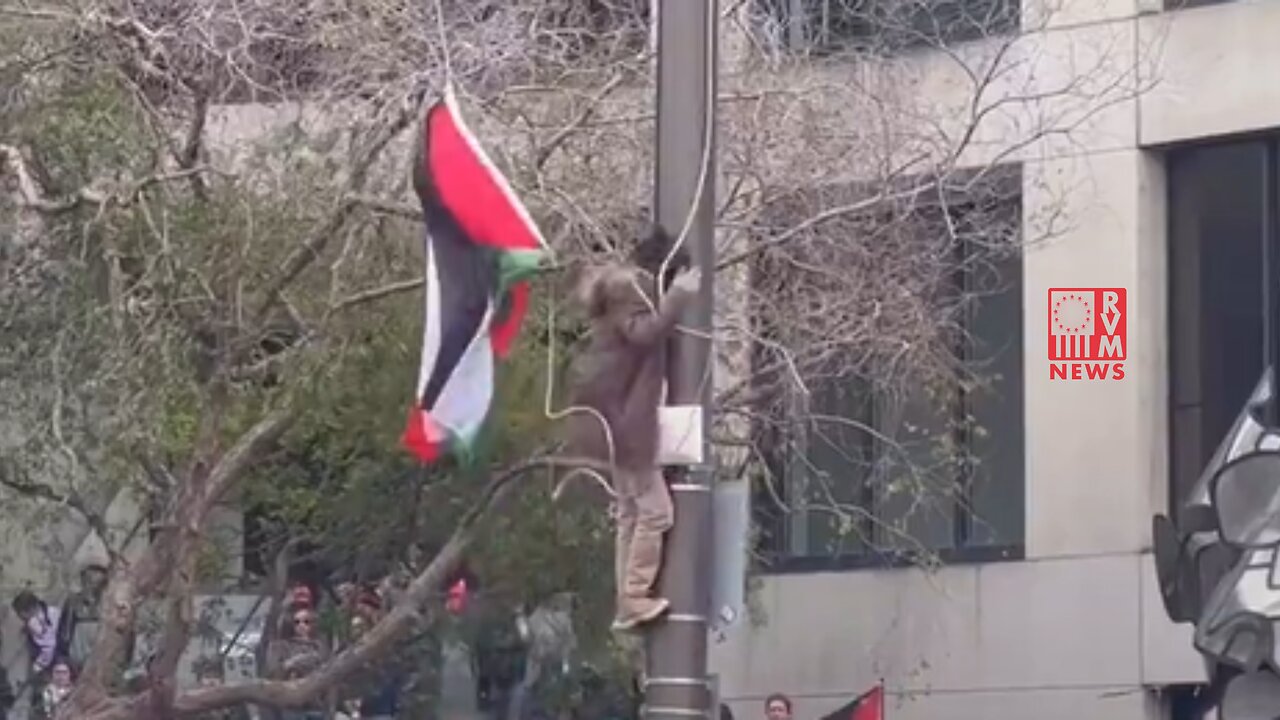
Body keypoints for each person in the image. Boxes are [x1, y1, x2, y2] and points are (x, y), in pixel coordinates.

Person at [564, 227, 700, 631]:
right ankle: (634, 597)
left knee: (629, 513)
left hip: (612, 421)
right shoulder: (630, 290)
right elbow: (645, 333)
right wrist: (679, 296)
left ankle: (628, 599)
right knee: (655, 513)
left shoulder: (618, 293)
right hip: (625, 426)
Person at [12, 591, 61, 682]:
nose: (18, 616)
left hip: (56, 655)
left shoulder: (34, 623)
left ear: (26, 611)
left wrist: (39, 665)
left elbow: (49, 646)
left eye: (19, 613)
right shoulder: (51, 610)